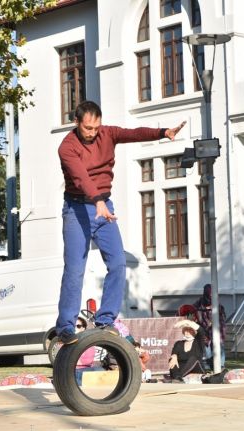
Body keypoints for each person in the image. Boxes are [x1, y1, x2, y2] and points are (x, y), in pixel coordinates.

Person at [56, 100, 186, 345]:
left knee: (117, 264)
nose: (93, 133)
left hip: (105, 208)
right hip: (77, 209)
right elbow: (81, 177)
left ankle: (106, 319)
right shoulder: (67, 147)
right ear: (76, 123)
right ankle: (65, 326)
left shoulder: (108, 134)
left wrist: (162, 133)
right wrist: (98, 202)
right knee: (75, 270)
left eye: (96, 128)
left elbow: (134, 134)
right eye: (87, 129)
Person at [193, 284, 227, 369]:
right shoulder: (201, 301)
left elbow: (221, 313)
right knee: (206, 346)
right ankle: (208, 364)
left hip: (218, 327)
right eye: (210, 292)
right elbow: (194, 309)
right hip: (205, 327)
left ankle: (221, 364)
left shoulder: (216, 300)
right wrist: (199, 316)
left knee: (220, 345)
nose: (211, 295)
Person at [74, 316, 101, 386]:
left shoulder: (88, 342)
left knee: (99, 370)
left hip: (85, 370)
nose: (75, 328)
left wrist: (73, 361)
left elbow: (87, 361)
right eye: (73, 326)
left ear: (83, 328)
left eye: (78, 326)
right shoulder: (66, 342)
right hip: (71, 371)